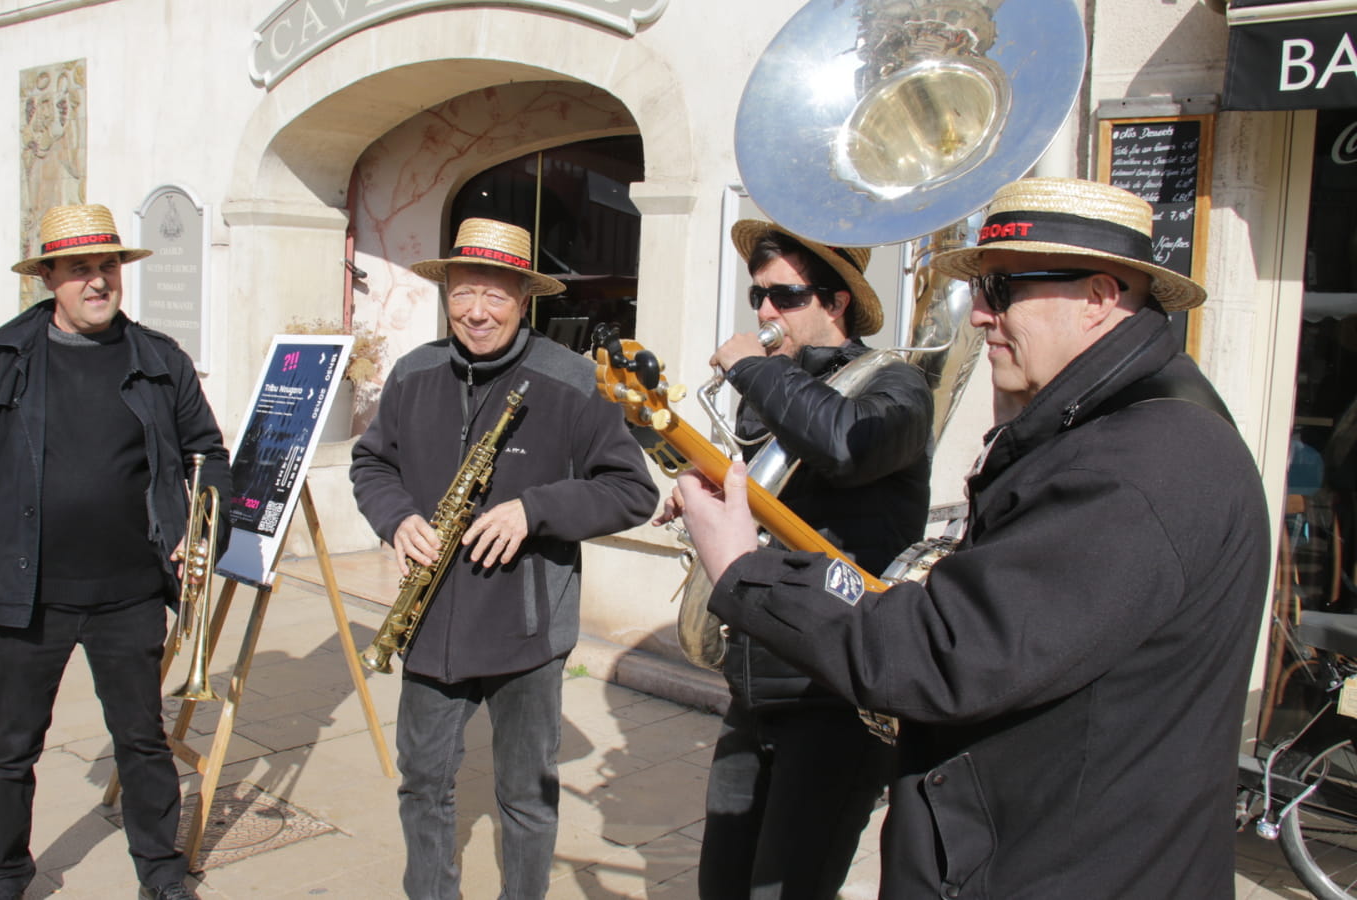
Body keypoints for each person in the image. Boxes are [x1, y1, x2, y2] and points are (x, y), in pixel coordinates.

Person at [678, 178, 1271, 899]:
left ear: (1099, 297)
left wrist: (743, 566)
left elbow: (949, 649)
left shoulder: (1144, 460)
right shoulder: (1106, 432)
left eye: (1003, 290)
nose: (982, 316)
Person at [0, 204, 230, 900]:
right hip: (29, 593)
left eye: (108, 267)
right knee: (11, 746)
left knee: (142, 741)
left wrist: (201, 531)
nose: (98, 281)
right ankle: (5, 873)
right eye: (81, 268)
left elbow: (209, 454)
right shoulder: (0, 357)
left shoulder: (159, 358)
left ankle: (161, 872)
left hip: (132, 592)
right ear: (50, 277)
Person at [350, 217, 658, 899]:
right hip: (427, 629)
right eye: (464, 292)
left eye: (495, 293)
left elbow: (632, 490)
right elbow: (372, 465)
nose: (476, 311)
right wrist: (396, 518)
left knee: (525, 798)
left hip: (527, 633)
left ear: (524, 297)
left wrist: (534, 510)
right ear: (447, 292)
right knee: (423, 785)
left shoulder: (574, 381)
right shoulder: (413, 373)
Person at [663, 222, 932, 899]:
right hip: (754, 679)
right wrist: (702, 491)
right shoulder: (772, 397)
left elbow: (844, 446)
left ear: (835, 302)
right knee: (720, 884)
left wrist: (756, 366)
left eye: (783, 298)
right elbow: (761, 495)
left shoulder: (898, 387)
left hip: (834, 694)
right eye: (759, 297)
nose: (763, 314)